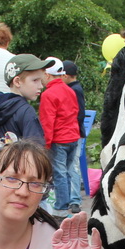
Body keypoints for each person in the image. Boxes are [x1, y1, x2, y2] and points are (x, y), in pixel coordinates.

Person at [40, 58, 82, 216]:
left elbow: (47, 122)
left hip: (59, 139)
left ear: (47, 75)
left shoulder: (48, 94)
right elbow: (75, 113)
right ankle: (69, 202)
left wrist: (46, 144)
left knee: (59, 173)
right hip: (73, 137)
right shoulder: (70, 90)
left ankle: (61, 207)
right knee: (69, 172)